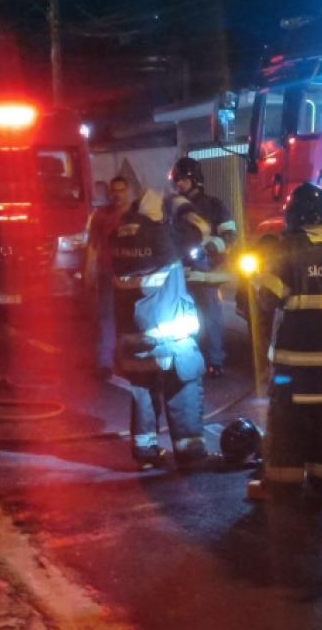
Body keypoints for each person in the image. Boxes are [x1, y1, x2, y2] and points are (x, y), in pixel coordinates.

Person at [246, 182, 322, 507]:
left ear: (294, 216)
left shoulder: (288, 250)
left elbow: (267, 301)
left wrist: (256, 280)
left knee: (286, 428)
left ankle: (283, 487)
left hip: (295, 368)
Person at [109, 186, 211, 470]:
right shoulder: (164, 237)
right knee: (184, 386)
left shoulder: (116, 239)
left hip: (132, 337)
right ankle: (189, 453)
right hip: (169, 336)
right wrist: (176, 201)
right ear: (154, 214)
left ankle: (145, 454)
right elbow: (201, 227)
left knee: (142, 388)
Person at [170, 157, 237, 379]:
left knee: (211, 317)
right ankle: (189, 361)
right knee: (183, 320)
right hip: (181, 272)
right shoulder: (174, 207)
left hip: (207, 272)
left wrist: (208, 249)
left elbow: (229, 236)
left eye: (182, 180)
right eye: (176, 180)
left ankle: (215, 361)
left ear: (194, 180)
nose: (178, 184)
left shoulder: (213, 205)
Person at [84, 176, 134, 378]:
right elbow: (93, 244)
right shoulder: (101, 215)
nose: (117, 194)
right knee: (107, 317)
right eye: (114, 190)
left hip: (131, 275)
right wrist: (89, 268)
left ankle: (130, 359)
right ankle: (105, 362)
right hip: (108, 273)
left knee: (130, 318)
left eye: (121, 190)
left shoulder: (136, 214)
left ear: (128, 190)